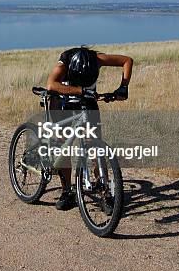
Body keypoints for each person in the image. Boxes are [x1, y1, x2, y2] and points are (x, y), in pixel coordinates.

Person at [46, 46, 133, 210]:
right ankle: (67, 192)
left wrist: (124, 86)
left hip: (87, 101)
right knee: (63, 145)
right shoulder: (65, 61)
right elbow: (51, 85)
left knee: (95, 145)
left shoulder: (97, 59)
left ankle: (106, 192)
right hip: (62, 101)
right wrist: (80, 90)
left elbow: (127, 61)